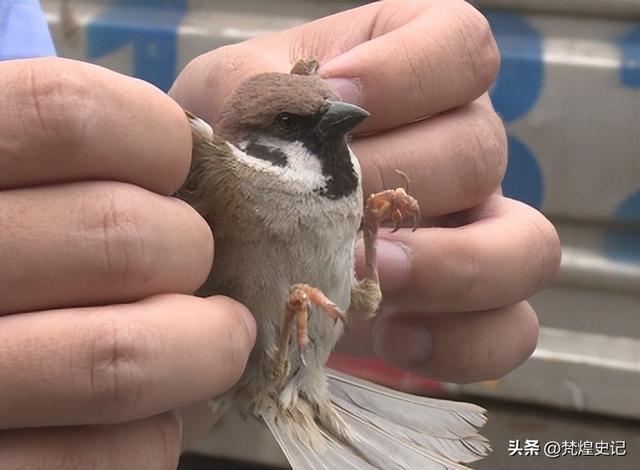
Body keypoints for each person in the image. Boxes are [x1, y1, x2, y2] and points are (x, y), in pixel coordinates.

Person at [0, 0, 560, 468]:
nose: (338, 122)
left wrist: (370, 224)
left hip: (315, 344)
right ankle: (288, 338)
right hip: (260, 365)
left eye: (327, 113)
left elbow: (361, 297)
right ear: (257, 142)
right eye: (294, 126)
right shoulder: (221, 171)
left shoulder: (345, 167)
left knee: (359, 283)